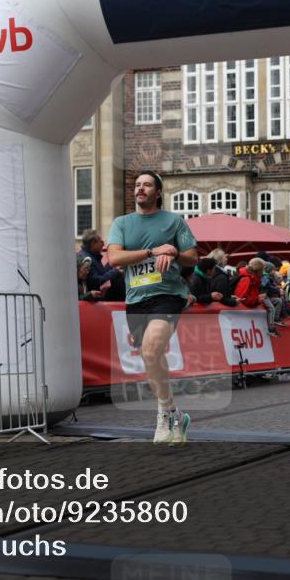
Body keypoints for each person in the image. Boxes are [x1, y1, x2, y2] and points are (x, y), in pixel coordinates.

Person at [106, 171, 198, 444]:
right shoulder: (122, 223)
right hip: (136, 299)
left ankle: (162, 415)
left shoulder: (174, 221)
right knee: (150, 358)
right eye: (137, 185)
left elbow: (193, 258)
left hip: (168, 295)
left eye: (146, 185)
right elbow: (114, 258)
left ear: (158, 192)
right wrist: (152, 252)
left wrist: (174, 252)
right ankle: (173, 412)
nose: (140, 189)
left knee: (152, 347)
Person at [79, 229, 124, 301]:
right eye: (101, 242)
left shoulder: (93, 256)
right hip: (91, 298)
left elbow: (101, 273)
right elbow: (96, 280)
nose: (103, 244)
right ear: (93, 243)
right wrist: (115, 272)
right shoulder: (86, 260)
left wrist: (112, 264)